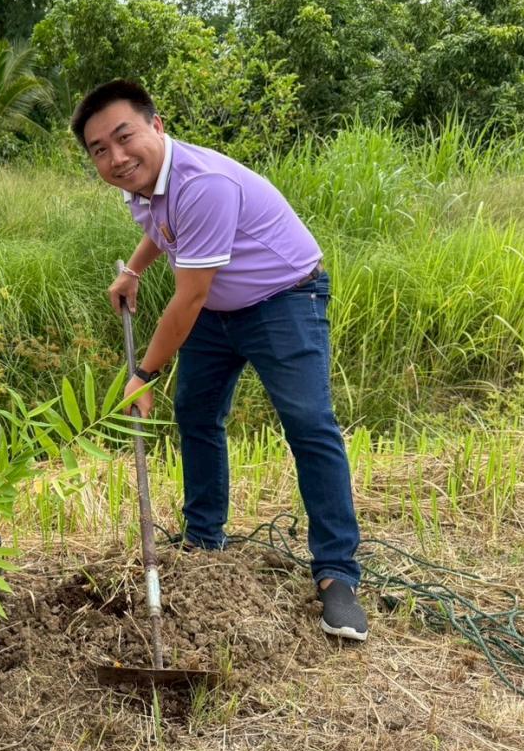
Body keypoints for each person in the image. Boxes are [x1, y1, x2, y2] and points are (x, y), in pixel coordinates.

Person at [71, 79, 368, 641]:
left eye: (124, 136)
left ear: (156, 126)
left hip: (283, 299)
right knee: (198, 416)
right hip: (218, 307)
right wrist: (134, 269)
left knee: (309, 426)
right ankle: (204, 538)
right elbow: (166, 229)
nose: (116, 157)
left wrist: (143, 373)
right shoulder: (140, 182)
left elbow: (189, 297)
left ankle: (337, 575)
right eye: (99, 150)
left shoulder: (203, 182)